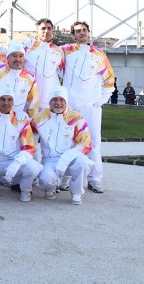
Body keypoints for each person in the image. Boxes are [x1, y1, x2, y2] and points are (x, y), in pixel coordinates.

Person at [60, 21, 115, 193]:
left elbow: (109, 79)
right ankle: (65, 178)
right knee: (68, 141)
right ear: (73, 35)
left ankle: (95, 179)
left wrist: (102, 99)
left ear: (88, 33)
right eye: (78, 31)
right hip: (71, 106)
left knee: (94, 142)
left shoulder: (99, 55)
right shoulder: (65, 51)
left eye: (84, 30)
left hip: (91, 107)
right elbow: (52, 61)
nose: (82, 33)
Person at [32, 86, 94, 205]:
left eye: (62, 100)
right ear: (49, 102)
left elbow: (86, 144)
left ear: (66, 101)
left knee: (83, 163)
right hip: (50, 160)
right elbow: (29, 136)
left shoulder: (76, 118)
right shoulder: (39, 118)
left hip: (71, 159)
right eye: (55, 100)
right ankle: (51, 188)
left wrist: (65, 159)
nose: (58, 103)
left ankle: (76, 192)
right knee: (45, 180)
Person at [24, 18, 65, 110]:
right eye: (43, 28)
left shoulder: (58, 51)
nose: (46, 31)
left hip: (49, 102)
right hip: (28, 101)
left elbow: (64, 74)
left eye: (49, 28)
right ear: (37, 31)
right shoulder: (28, 47)